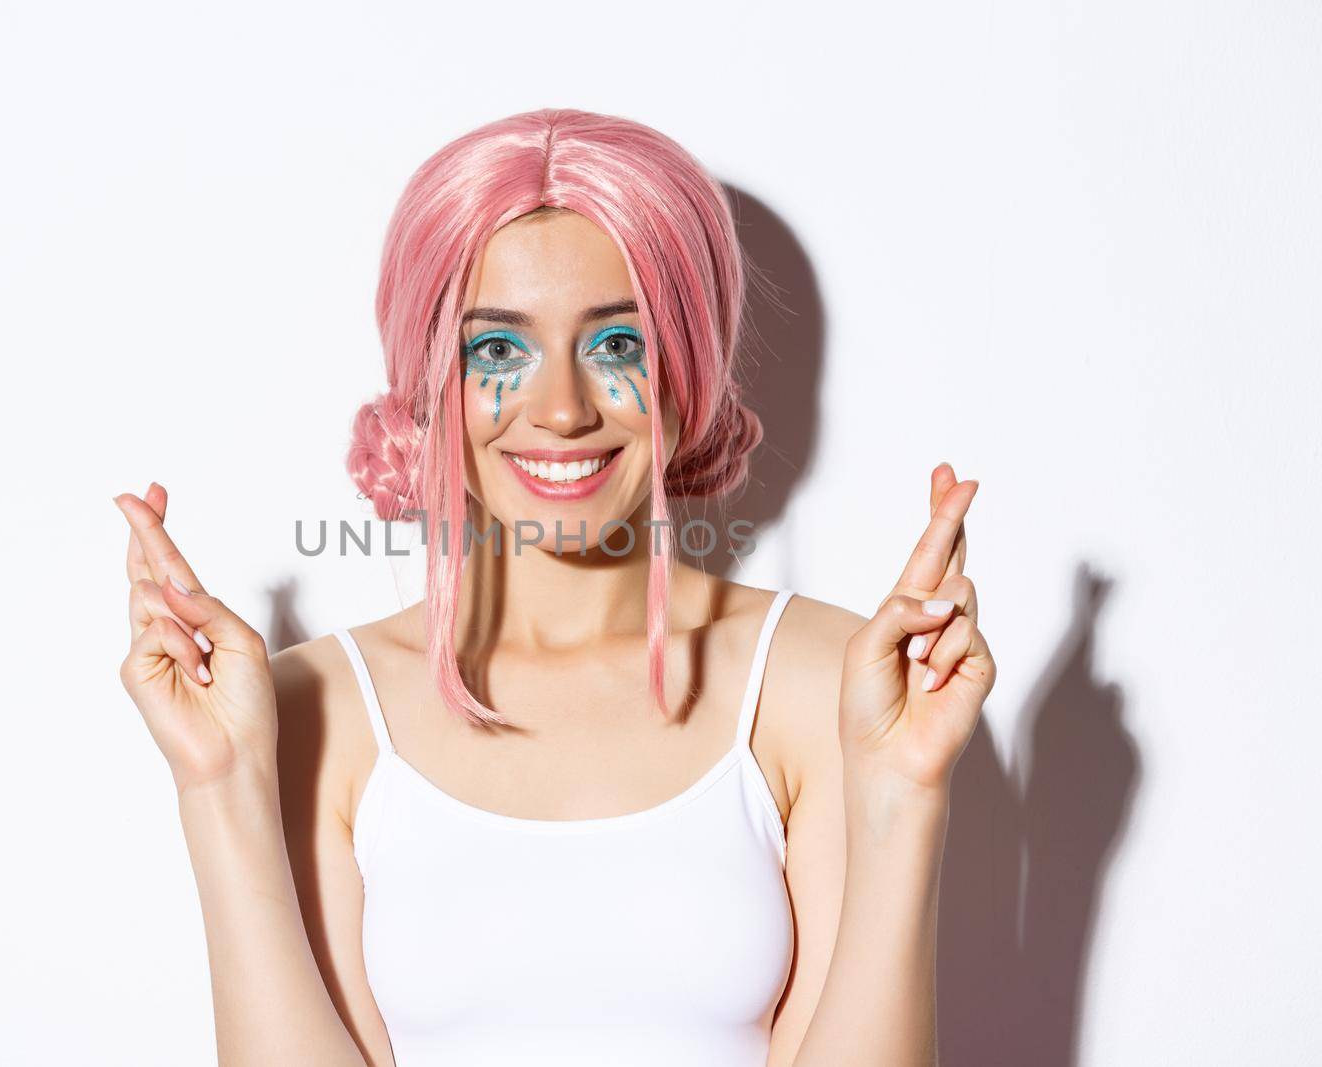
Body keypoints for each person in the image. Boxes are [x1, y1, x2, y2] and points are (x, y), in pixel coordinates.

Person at [112, 108, 995, 1067]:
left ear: (686, 369)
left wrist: (904, 793)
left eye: (619, 345)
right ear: (429, 381)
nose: (565, 409)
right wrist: (219, 784)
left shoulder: (824, 679)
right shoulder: (314, 706)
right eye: (498, 351)